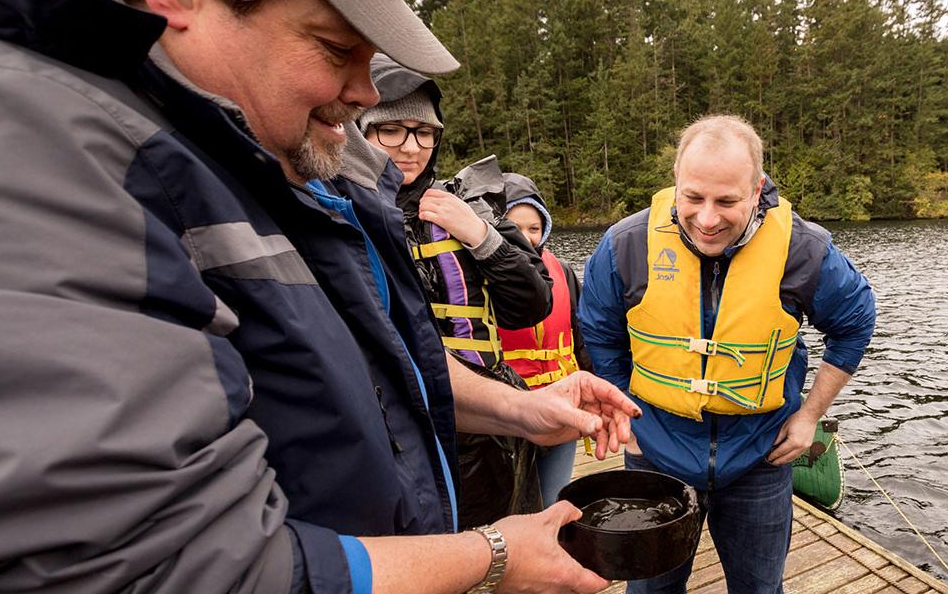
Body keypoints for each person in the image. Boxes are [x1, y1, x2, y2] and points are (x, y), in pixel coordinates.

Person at [0, 0, 637, 592]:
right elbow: (153, 563)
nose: (367, 92)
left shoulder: (289, 151)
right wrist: (487, 555)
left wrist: (520, 410)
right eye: (335, 46)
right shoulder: (36, 143)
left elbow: (374, 364)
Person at [579, 115, 876, 593]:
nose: (708, 218)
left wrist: (809, 417)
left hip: (759, 460)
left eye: (727, 200)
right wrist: (619, 408)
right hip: (656, 456)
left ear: (757, 190)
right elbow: (598, 327)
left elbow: (856, 323)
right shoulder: (625, 246)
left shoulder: (803, 251)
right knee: (651, 589)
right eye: (693, 198)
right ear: (675, 180)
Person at [360, 54, 555, 527]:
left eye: (423, 132)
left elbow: (532, 305)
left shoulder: (470, 207)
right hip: (393, 432)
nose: (411, 147)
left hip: (488, 431)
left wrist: (480, 237)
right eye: (392, 130)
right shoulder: (337, 210)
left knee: (504, 550)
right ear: (359, 131)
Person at [500, 172, 595, 505]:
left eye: (534, 229)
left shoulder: (564, 271)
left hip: (561, 408)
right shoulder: (480, 276)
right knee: (510, 505)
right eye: (514, 227)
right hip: (507, 415)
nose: (525, 237)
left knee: (553, 498)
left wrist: (592, 388)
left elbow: (579, 336)